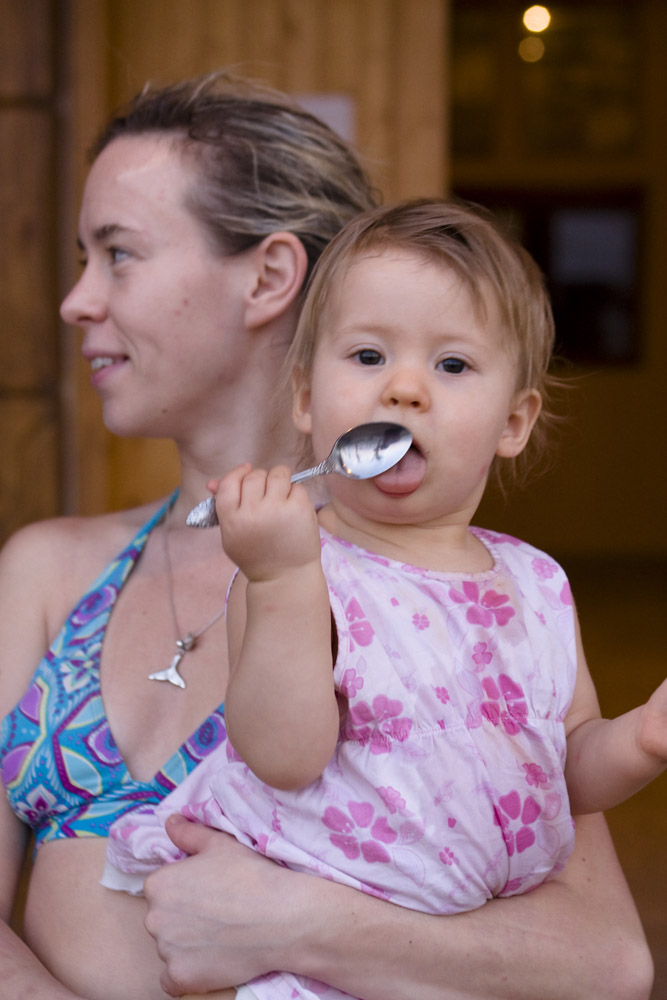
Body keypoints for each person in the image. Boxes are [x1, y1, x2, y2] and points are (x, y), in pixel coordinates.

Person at [0, 70, 653, 1000]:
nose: (76, 301)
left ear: (268, 277)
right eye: (81, 258)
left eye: (118, 254)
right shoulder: (45, 569)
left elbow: (605, 962)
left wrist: (295, 924)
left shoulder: (443, 600)